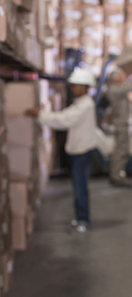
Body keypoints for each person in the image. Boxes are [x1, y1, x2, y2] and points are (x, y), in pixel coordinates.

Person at [25, 68, 98, 233]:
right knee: (77, 186)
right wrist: (42, 114)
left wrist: (40, 114)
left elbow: (64, 120)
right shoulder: (81, 103)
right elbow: (64, 114)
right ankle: (80, 217)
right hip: (78, 150)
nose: (73, 89)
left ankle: (84, 220)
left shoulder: (86, 105)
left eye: (76, 86)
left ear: (85, 87)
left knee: (80, 187)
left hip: (82, 152)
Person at [107, 62, 132, 187]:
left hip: (123, 124)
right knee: (121, 151)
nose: (123, 77)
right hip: (122, 125)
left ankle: (117, 174)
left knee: (122, 151)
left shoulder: (118, 89)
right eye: (121, 76)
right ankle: (116, 176)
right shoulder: (115, 89)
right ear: (115, 78)